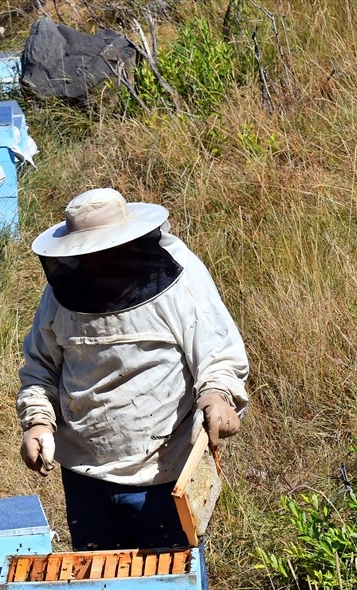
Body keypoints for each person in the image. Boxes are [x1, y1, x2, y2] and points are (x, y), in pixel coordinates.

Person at [17, 188, 249, 551]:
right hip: (85, 475)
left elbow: (217, 350)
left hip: (163, 470)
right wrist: (38, 422)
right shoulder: (62, 292)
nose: (95, 263)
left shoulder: (179, 278)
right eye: (85, 255)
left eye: (103, 251)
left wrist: (218, 395)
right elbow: (40, 366)